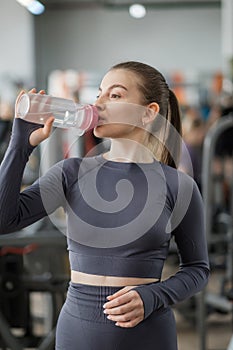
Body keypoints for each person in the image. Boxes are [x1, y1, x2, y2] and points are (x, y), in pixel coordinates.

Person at [0, 61, 210, 350]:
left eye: (115, 95)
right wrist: (20, 145)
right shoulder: (70, 173)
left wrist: (153, 296)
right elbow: (4, 219)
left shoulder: (178, 185)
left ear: (149, 113)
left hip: (147, 335)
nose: (98, 103)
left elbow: (198, 269)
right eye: (99, 93)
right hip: (77, 332)